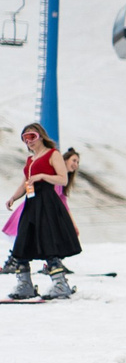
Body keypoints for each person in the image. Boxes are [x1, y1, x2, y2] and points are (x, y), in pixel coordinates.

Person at [6, 122, 82, 299]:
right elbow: (25, 183)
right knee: (23, 241)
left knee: (48, 241)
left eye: (31, 136)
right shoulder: (30, 160)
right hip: (31, 204)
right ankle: (24, 284)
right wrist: (14, 198)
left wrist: (42, 176)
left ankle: (60, 284)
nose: (28, 141)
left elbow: (62, 179)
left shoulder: (52, 154)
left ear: (40, 136)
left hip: (47, 202)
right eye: (25, 138)